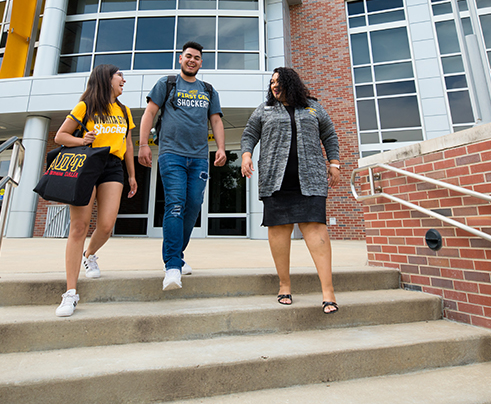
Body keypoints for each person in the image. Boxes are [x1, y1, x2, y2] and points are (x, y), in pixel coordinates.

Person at [240, 67, 341, 314]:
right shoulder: (264, 110)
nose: (275, 86)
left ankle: (328, 292)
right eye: (272, 82)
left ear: (291, 83)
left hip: (311, 180)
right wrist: (246, 155)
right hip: (276, 180)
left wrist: (334, 163)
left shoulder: (313, 107)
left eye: (279, 81)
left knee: (316, 230)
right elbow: (249, 133)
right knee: (279, 231)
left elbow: (329, 134)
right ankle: (284, 284)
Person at [139, 41, 226, 290]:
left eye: (197, 58)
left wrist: (221, 148)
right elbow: (149, 113)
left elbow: (216, 121)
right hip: (171, 154)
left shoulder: (208, 90)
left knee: (193, 206)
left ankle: (177, 254)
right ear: (180, 59)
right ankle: (173, 266)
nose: (192, 60)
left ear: (201, 62)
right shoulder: (166, 84)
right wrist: (143, 144)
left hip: (199, 157)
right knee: (175, 204)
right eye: (188, 56)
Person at [55, 65, 137, 317]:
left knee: (106, 226)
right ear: (106, 78)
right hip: (88, 162)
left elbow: (128, 143)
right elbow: (60, 136)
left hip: (113, 165)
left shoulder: (124, 110)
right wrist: (82, 140)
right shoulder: (86, 106)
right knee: (78, 227)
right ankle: (70, 293)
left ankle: (89, 254)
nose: (123, 80)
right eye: (119, 76)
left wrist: (132, 174)